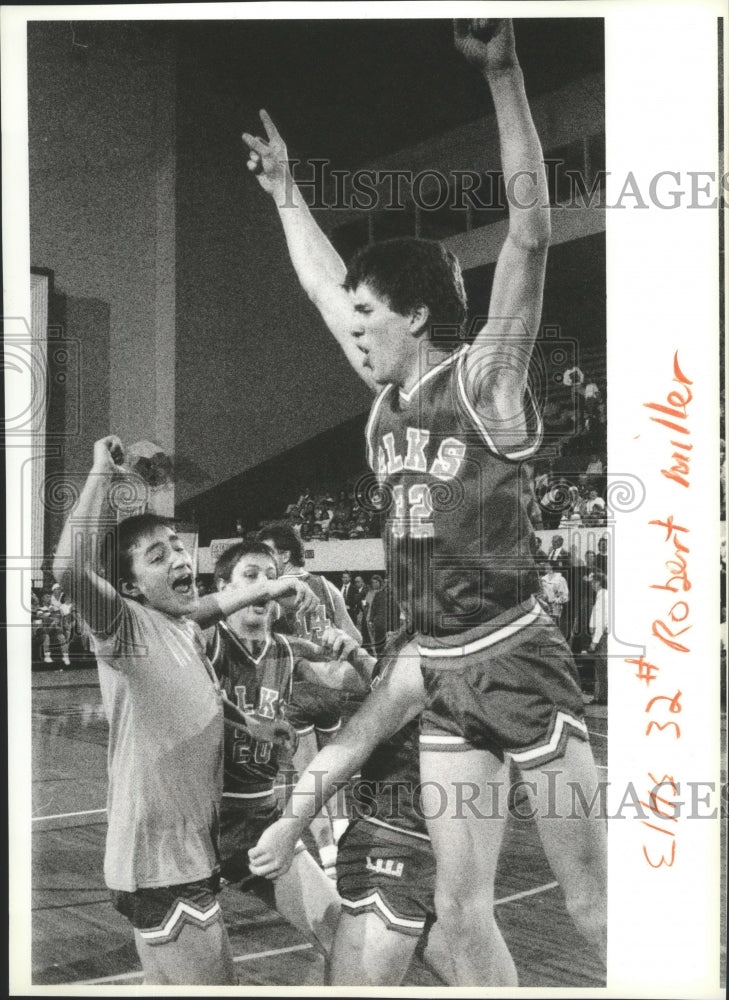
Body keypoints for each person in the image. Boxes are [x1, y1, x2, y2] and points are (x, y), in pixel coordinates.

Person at [243, 17, 605, 986]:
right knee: (461, 906)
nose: (349, 329)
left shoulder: (484, 382)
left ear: (413, 316)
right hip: (437, 668)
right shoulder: (382, 407)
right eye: (348, 316)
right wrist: (287, 195)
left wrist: (506, 76)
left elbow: (530, 234)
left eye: (368, 316)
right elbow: (325, 286)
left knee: (589, 903)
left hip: (517, 653)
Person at [51, 436, 319, 986]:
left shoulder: (181, 627)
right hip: (159, 863)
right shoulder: (125, 627)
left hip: (183, 852)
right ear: (128, 587)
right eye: (158, 556)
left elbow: (208, 614)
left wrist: (252, 723)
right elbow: (68, 571)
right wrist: (101, 473)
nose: (177, 557)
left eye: (176, 546)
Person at [249, 633, 452, 987]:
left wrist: (290, 824)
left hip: (397, 835)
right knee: (482, 977)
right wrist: (357, 657)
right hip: (447, 842)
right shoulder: (465, 641)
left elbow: (356, 739)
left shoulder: (434, 646)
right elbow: (399, 687)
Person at [206, 539, 376, 956]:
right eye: (251, 576)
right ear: (224, 586)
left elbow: (356, 681)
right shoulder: (207, 641)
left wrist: (353, 651)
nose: (266, 586)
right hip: (195, 823)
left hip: (255, 820)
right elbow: (191, 617)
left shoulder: (287, 650)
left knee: (340, 935)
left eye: (271, 575)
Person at [257, 521, 361, 873]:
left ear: (284, 556)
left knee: (307, 779)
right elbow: (354, 634)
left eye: (269, 553)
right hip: (332, 687)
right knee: (333, 770)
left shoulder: (271, 592)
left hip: (296, 690)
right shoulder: (327, 587)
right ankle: (345, 833)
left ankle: (330, 856)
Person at [586, 570, 608, 704]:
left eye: (592, 582)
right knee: (600, 667)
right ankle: (600, 696)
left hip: (602, 637)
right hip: (600, 636)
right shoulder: (602, 595)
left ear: (598, 582)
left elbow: (601, 621)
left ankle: (603, 697)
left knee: (602, 667)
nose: (591, 585)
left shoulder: (603, 596)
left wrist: (594, 641)